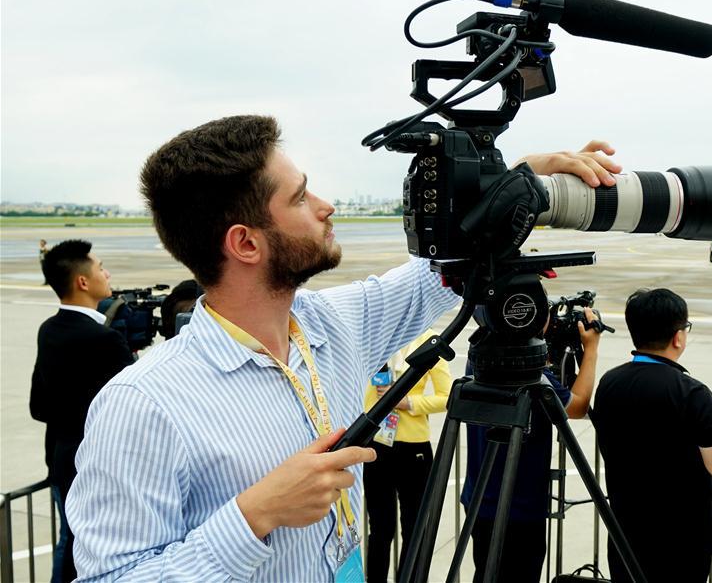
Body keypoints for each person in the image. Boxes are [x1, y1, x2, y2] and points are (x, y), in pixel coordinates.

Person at [65, 115, 622, 581]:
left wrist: (519, 181)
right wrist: (253, 516)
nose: (327, 206)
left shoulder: (329, 328)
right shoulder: (143, 403)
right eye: (302, 197)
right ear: (245, 243)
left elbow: (439, 273)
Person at [592, 289, 712, 583]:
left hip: (624, 536)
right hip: (682, 542)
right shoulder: (692, 393)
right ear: (678, 337)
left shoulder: (609, 383)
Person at [461, 307, 601, 583]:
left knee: (487, 572)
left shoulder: (478, 356)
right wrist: (592, 348)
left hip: (480, 499)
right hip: (520, 506)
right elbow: (577, 405)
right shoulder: (531, 372)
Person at [29, 240, 135, 583]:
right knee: (91, 547)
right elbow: (133, 410)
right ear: (83, 282)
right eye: (101, 267)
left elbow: (38, 406)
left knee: (68, 541)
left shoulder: (49, 330)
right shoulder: (104, 340)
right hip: (94, 466)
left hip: (61, 458)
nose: (107, 274)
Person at [362, 330, 450, 583]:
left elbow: (447, 397)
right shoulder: (375, 337)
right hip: (377, 445)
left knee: (414, 530)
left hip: (414, 449)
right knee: (380, 529)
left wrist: (408, 402)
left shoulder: (430, 340)